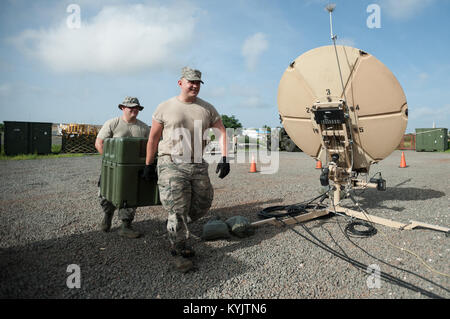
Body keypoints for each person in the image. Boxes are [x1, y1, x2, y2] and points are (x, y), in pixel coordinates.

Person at [143, 67, 230, 272]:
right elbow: (153, 138)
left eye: (198, 83)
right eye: (190, 82)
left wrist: (225, 157)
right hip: (171, 163)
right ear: (180, 83)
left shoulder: (207, 108)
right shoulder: (165, 107)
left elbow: (222, 132)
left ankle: (176, 224)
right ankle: (178, 249)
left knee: (202, 203)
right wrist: (148, 165)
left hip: (198, 163)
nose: (194, 86)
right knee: (178, 209)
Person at [95, 96, 150, 238]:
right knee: (106, 194)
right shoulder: (113, 123)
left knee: (131, 195)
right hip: (113, 169)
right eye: (130, 107)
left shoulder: (143, 127)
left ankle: (126, 226)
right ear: (122, 108)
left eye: (136, 107)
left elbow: (149, 147)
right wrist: (111, 162)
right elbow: (99, 143)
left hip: (133, 170)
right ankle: (108, 216)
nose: (134, 110)